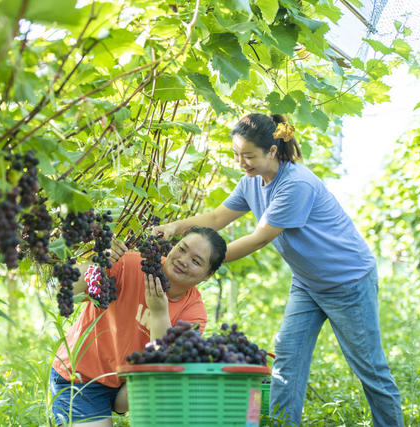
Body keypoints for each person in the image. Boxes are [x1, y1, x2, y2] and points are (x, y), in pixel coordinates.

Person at [152, 113, 403, 427]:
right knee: (287, 357)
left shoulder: (296, 185)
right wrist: (175, 228)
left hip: (347, 281)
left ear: (272, 151)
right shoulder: (251, 183)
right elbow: (216, 219)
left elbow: (259, 239)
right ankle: (284, 424)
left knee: (369, 367)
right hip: (308, 283)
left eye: (249, 156)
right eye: (236, 155)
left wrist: (196, 260)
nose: (242, 162)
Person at [50, 226, 227, 426]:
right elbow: (65, 290)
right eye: (182, 249)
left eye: (196, 261)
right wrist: (97, 261)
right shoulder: (131, 264)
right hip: (80, 377)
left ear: (207, 275)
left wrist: (160, 313)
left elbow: (163, 367)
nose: (183, 261)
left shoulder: (194, 313)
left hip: (127, 389)